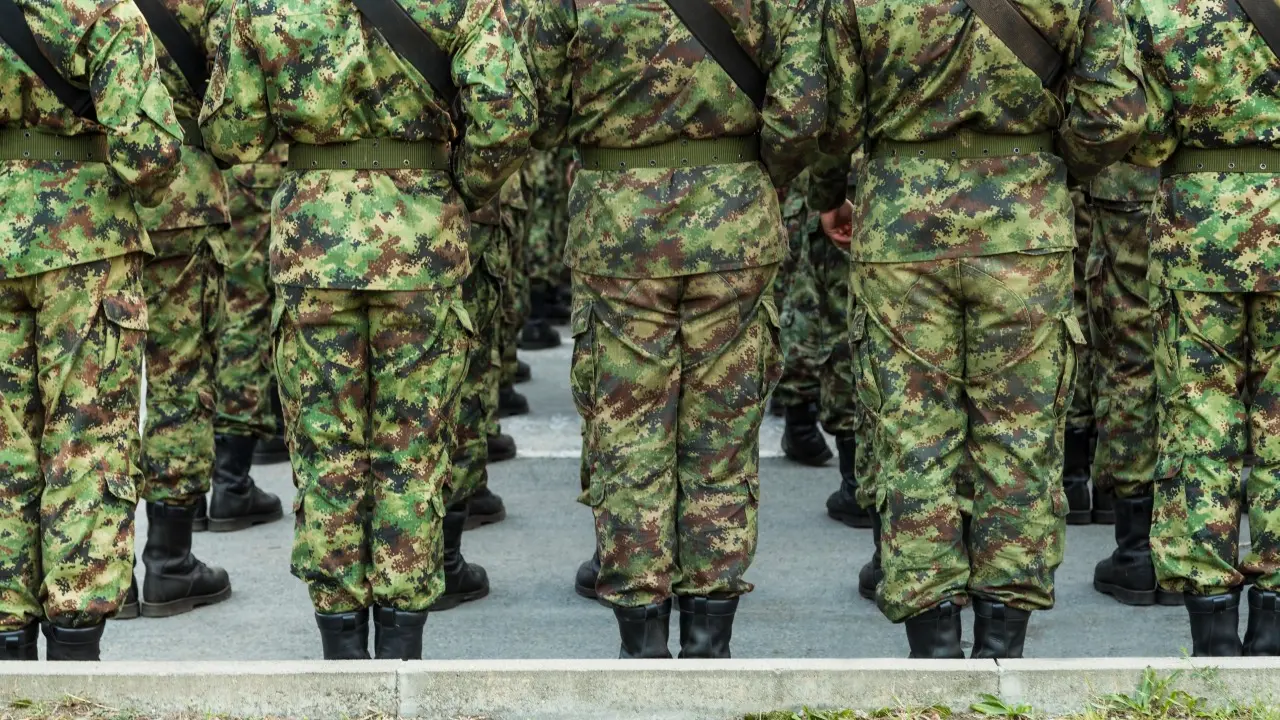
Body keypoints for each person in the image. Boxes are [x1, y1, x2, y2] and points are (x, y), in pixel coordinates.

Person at [203, 0, 534, 659]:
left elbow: (231, 134)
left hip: (315, 244)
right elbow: (506, 117)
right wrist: (454, 188)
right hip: (418, 242)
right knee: (412, 449)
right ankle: (402, 645)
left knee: (326, 451)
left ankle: (342, 648)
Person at [817, 0, 1145, 658]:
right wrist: (1045, 167)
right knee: (1019, 436)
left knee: (913, 437)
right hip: (1023, 225)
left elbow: (832, 117)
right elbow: (1115, 113)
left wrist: (828, 193)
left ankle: (932, 646)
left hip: (902, 226)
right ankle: (1003, 645)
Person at [526, 0, 825, 659]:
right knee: (721, 436)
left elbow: (538, 107)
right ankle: (710, 635)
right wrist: (745, 176)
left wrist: (608, 144)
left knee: (629, 434)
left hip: (620, 226)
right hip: (733, 225)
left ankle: (641, 637)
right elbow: (803, 113)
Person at [0, 0, 182, 659]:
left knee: (5, 446)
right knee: (87, 440)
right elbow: (150, 154)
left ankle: (8, 643)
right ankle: (74, 649)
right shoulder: (102, 9)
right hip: (87, 240)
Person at [1125, 0, 1280, 657]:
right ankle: (1274, 623)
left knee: (1200, 420)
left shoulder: (1160, 7)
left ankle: (1212, 625)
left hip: (1197, 234)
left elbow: (1143, 135)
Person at [131, 0, 237, 620]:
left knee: (89, 393)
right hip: (182, 198)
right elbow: (235, 102)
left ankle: (94, 567)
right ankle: (168, 562)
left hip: (84, 202)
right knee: (180, 378)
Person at [1085, 161, 1176, 607]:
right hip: (1213, 183)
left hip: (1129, 187)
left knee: (1130, 361)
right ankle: (1187, 548)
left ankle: (1137, 551)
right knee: (1199, 368)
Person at [210, 141, 289, 532]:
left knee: (202, 318)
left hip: (215, 168)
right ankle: (231, 482)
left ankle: (190, 495)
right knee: (249, 313)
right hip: (261, 167)